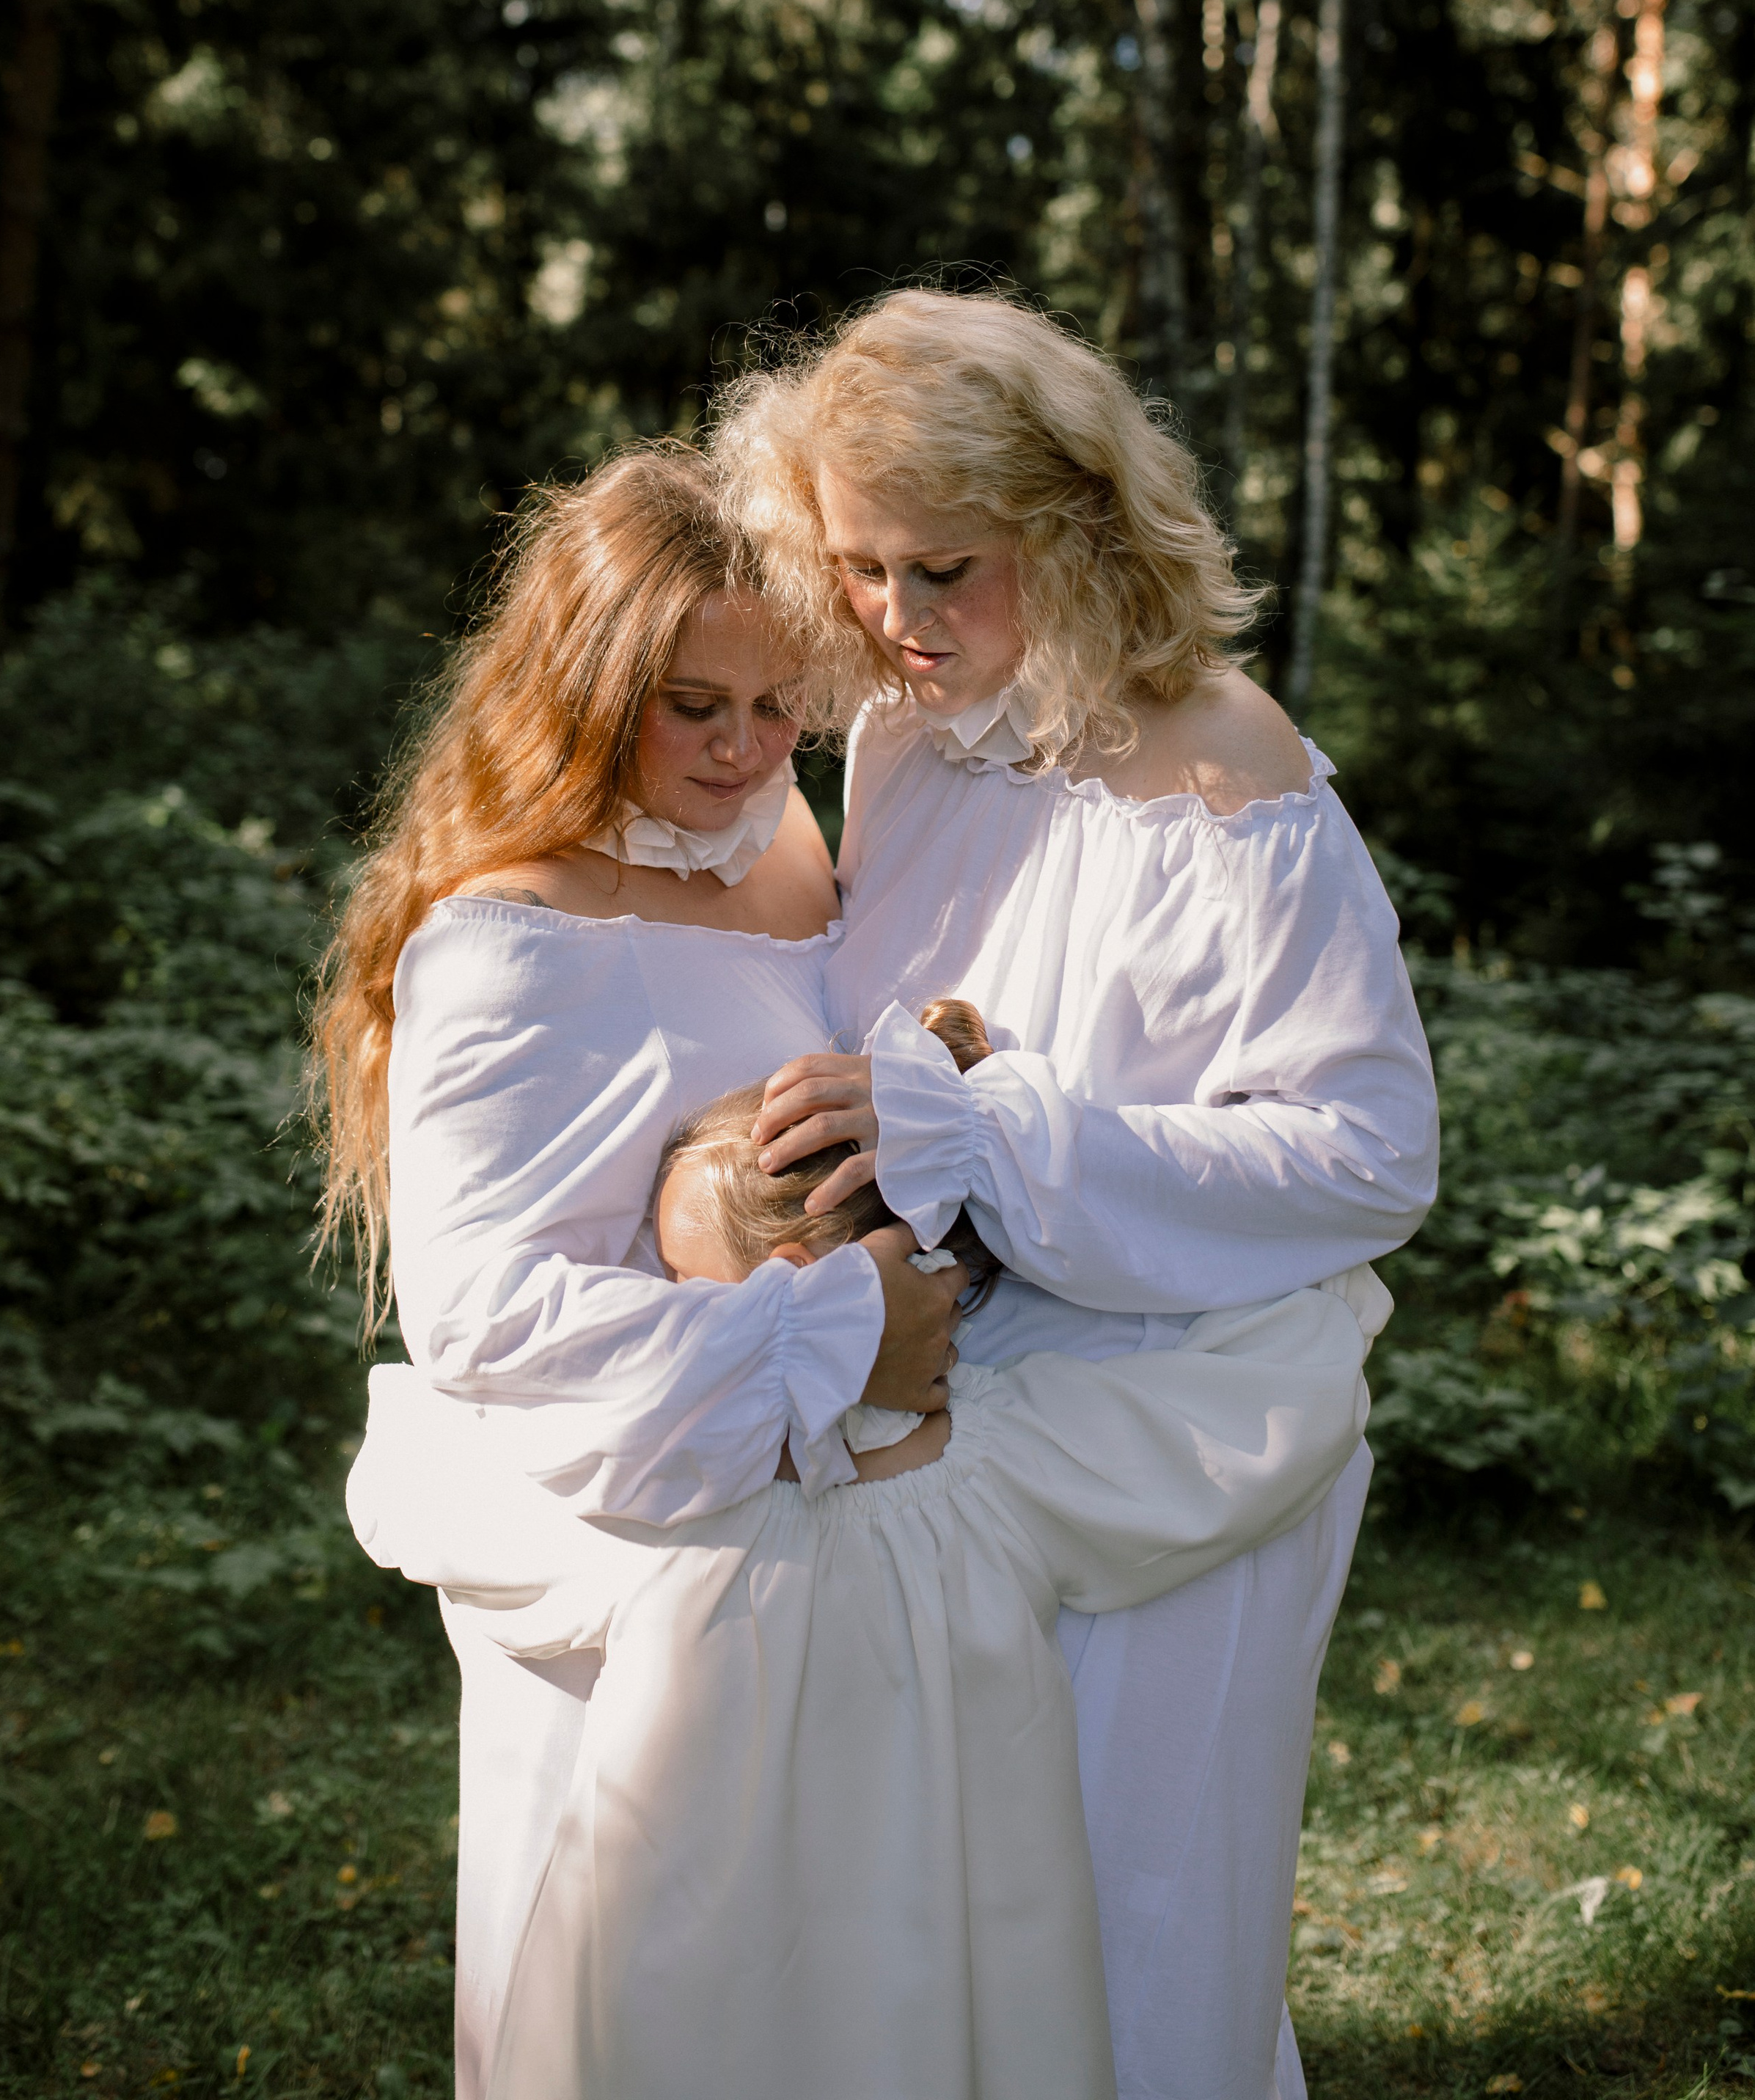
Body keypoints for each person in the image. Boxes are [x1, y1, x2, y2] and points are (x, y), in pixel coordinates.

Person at [717, 288, 1441, 2100]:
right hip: (960, 1426)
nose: (895, 618)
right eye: (858, 568)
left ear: (1074, 528)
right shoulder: (905, 742)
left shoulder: (1229, 771)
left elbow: (1366, 1155)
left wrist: (990, 1139)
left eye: (942, 570)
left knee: (1139, 1925)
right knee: (959, 1926)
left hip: (1185, 1435)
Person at [348, 1000, 1388, 2100]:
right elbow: (1262, 1411)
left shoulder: (668, 1504)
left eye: (683, 1289)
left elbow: (408, 1481)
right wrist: (1323, 1289)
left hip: (693, 1932)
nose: (667, 1315)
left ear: (798, 1276)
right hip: (946, 1946)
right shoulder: (998, 1468)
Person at [311, 442, 964, 2100]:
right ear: (591, 686)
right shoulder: (510, 930)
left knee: (835, 1985)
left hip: (826, 1512)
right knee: (646, 1999)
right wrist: (840, 1334)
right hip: (642, 1517)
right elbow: (485, 1316)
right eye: (695, 707)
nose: (746, 749)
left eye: (780, 705)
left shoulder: (784, 840)